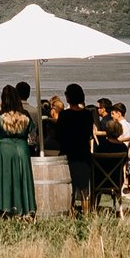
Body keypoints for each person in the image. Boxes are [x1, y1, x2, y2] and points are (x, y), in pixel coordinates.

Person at [0, 90, 36, 217]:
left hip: (5, 150)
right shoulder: (25, 115)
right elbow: (31, 133)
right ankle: (25, 208)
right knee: (23, 178)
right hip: (22, 149)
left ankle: (6, 208)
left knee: (4, 179)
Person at [56, 83, 97, 214]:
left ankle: (71, 210)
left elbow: (59, 135)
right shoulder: (87, 114)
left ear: (68, 97)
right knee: (84, 187)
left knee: (69, 186)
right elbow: (89, 134)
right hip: (83, 153)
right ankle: (86, 211)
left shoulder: (64, 115)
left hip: (68, 153)